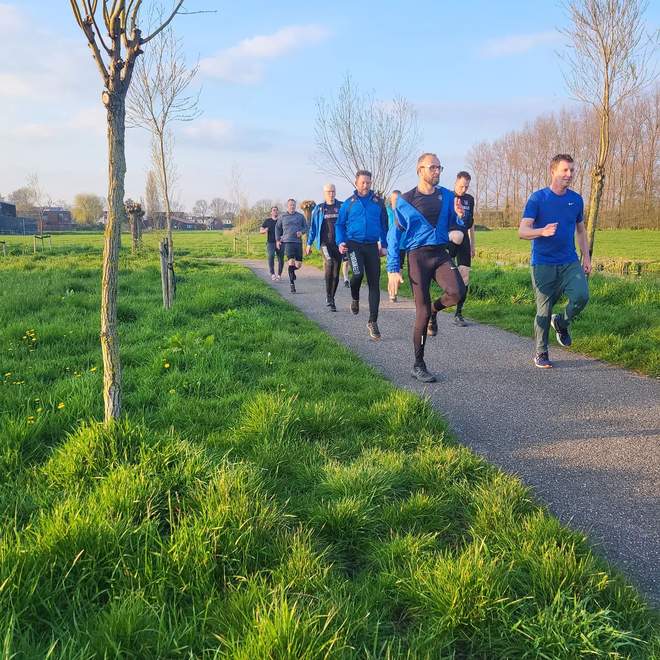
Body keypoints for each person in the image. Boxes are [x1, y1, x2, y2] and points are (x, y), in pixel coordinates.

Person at [387, 153, 466, 382]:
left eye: (439, 168)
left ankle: (435, 310)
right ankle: (418, 364)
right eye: (432, 168)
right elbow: (394, 235)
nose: (437, 172)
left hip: (440, 254)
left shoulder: (447, 196)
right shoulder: (405, 200)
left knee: (458, 293)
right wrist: (394, 268)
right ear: (419, 170)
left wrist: (459, 223)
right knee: (420, 312)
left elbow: (457, 223)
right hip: (417, 257)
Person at [519, 153, 591, 368]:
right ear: (553, 172)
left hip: (569, 260)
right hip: (542, 262)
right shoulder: (538, 199)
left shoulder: (576, 200)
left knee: (581, 296)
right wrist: (542, 231)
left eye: (572, 170)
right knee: (544, 309)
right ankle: (541, 352)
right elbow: (522, 231)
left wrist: (585, 256)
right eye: (565, 170)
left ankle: (562, 321)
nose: (569, 174)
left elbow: (580, 230)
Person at [336, 170, 389, 340]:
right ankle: (355, 297)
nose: (366, 185)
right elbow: (339, 225)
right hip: (353, 245)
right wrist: (340, 242)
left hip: (372, 246)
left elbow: (384, 226)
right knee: (357, 274)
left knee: (374, 283)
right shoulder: (348, 204)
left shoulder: (378, 203)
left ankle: (373, 321)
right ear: (356, 183)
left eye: (368, 182)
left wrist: (384, 245)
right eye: (363, 182)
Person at [306, 184, 343, 311]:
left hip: (338, 244)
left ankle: (332, 298)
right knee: (329, 262)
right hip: (324, 244)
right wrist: (309, 244)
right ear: (324, 193)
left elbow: (348, 224)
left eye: (333, 191)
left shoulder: (342, 206)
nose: (331, 194)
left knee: (336, 274)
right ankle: (328, 295)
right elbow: (313, 228)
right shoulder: (319, 209)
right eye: (328, 192)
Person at [449, 172, 476, 325]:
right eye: (461, 186)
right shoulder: (447, 197)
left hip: (464, 239)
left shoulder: (470, 200)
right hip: (450, 238)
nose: (463, 189)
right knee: (449, 274)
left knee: (465, 275)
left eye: (466, 187)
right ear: (456, 183)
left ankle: (458, 313)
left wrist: (473, 244)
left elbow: (471, 224)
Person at [275, 198, 308, 293]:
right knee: (291, 262)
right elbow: (277, 228)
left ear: (295, 206)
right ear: (287, 206)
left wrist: (301, 232)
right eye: (290, 205)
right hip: (287, 241)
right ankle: (292, 284)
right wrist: (278, 240)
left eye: (293, 205)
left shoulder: (300, 216)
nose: (292, 206)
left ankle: (292, 271)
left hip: (298, 242)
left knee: (298, 265)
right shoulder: (282, 217)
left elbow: (306, 227)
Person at [386, 190, 406, 302]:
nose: (395, 201)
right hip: (391, 244)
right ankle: (391, 294)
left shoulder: (404, 213)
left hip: (402, 245)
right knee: (392, 269)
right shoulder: (388, 211)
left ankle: (395, 289)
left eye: (398, 199)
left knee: (400, 269)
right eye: (394, 199)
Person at [260, 205, 284, 280]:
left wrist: (283, 237)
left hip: (280, 242)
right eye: (273, 210)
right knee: (271, 256)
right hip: (270, 242)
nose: (275, 211)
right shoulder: (267, 221)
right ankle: (272, 274)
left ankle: (279, 275)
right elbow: (261, 231)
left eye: (276, 210)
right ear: (271, 212)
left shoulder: (281, 221)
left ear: (278, 212)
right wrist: (265, 230)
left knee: (281, 259)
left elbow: (286, 230)